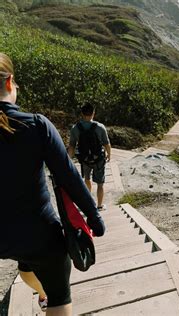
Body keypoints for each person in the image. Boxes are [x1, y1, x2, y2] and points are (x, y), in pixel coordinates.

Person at [0, 52, 105, 315]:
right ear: (10, 82)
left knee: (26, 265)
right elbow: (69, 176)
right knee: (58, 288)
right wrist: (94, 217)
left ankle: (42, 292)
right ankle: (50, 295)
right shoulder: (36, 126)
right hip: (37, 233)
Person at [68, 104, 111, 211]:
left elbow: (72, 146)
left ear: (82, 114)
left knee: (87, 179)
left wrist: (69, 159)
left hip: (85, 160)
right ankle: (100, 206)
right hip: (98, 159)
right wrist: (109, 154)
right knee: (100, 183)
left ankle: (89, 204)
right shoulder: (100, 127)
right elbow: (106, 144)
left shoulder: (75, 128)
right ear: (93, 113)